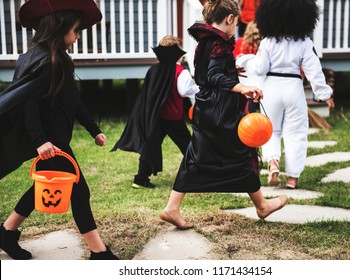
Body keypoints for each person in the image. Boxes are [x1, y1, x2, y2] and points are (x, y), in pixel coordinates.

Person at [0, 0, 118, 260]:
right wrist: (40, 140)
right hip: (51, 143)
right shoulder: (43, 61)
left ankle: (7, 232)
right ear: (59, 27)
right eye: (75, 31)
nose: (77, 37)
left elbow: (71, 100)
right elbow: (28, 103)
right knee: (79, 190)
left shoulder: (59, 59)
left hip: (57, 140)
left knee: (43, 188)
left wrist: (93, 129)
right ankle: (98, 252)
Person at [159, 0, 288, 230]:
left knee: (196, 155)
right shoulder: (219, 43)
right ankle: (262, 206)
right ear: (229, 19)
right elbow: (215, 76)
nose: (235, 25)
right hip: (220, 111)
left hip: (206, 108)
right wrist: (243, 87)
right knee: (241, 151)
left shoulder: (205, 41)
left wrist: (230, 69)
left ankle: (172, 208)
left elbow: (206, 73)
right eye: (236, 21)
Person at [237, 0, 335, 189]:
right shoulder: (304, 43)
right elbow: (314, 71)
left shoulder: (268, 42)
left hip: (271, 88)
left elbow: (260, 68)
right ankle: (292, 178)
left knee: (270, 129)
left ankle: (273, 163)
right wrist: (325, 94)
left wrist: (245, 60)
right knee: (296, 132)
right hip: (293, 87)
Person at [111, 36, 199, 189]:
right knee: (188, 146)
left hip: (155, 117)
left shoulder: (154, 69)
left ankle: (140, 179)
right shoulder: (180, 71)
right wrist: (198, 89)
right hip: (173, 117)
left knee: (150, 146)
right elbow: (185, 91)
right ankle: (197, 174)